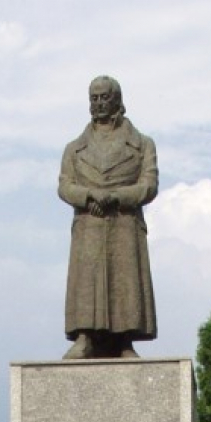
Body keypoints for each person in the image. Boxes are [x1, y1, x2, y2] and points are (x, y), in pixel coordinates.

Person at [58, 76, 158, 359]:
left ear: (117, 100)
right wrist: (89, 196)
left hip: (124, 223)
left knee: (124, 278)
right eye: (94, 98)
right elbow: (64, 185)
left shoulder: (143, 145)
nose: (99, 104)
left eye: (104, 97)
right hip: (89, 222)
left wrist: (117, 197)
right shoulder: (74, 149)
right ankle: (84, 336)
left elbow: (149, 185)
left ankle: (125, 340)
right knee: (87, 280)